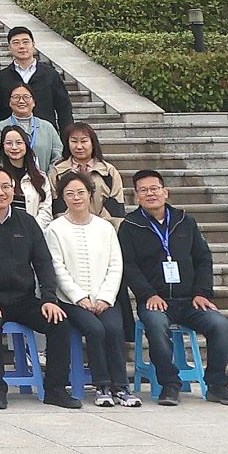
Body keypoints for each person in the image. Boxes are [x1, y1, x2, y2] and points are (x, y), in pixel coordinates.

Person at [0, 166, 80, 409]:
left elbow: (43, 263)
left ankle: (55, 389)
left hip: (24, 298)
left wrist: (49, 298)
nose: (0, 192)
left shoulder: (27, 221)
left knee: (59, 322)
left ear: (13, 189)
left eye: (5, 186)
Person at [119, 169, 228, 406]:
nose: (150, 194)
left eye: (154, 189)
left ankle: (217, 385)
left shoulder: (185, 221)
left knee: (221, 325)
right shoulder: (130, 226)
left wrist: (202, 293)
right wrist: (148, 294)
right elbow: (129, 266)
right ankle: (169, 384)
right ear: (136, 196)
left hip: (189, 300)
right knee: (156, 327)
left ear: (165, 192)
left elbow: (203, 259)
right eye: (143, 190)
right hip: (156, 300)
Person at [47, 172, 132, 407]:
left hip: (104, 297)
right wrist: (79, 297)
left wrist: (105, 297)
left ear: (90, 195)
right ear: (63, 197)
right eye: (70, 194)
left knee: (114, 328)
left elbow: (116, 264)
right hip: (71, 301)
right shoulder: (55, 229)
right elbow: (58, 268)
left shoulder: (105, 227)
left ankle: (121, 387)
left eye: (81, 192)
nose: (76, 198)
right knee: (95, 330)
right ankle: (102, 385)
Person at [0, 26, 72, 129]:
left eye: (26, 42)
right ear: (9, 48)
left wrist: (66, 134)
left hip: (45, 133)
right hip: (12, 135)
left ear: (33, 44)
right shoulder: (2, 77)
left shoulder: (50, 74)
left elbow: (64, 108)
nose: (21, 46)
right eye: (16, 43)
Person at [52, 122, 130, 218]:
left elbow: (116, 205)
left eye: (84, 141)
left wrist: (98, 224)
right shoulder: (58, 172)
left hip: (103, 225)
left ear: (93, 143)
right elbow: (56, 205)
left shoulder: (108, 171)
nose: (79, 146)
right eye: (74, 141)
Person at [0, 125, 53, 231]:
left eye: (19, 143)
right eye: (9, 143)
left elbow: (45, 211)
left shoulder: (41, 177)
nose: (14, 147)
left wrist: (31, 231)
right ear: (3, 146)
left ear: (26, 145)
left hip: (33, 233)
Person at [0, 83, 64, 168]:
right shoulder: (0, 128)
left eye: (26, 97)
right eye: (16, 97)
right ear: (10, 102)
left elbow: (57, 158)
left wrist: (48, 175)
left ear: (33, 102)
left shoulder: (47, 128)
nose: (21, 101)